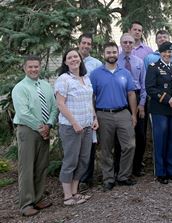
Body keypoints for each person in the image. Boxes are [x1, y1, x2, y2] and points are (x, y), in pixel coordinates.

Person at [12, 55, 58, 216]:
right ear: (24, 68)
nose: (33, 69)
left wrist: (49, 124)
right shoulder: (20, 88)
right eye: (30, 67)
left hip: (44, 131)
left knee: (41, 165)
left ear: (40, 67)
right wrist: (41, 128)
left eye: (36, 66)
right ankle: (26, 204)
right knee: (27, 167)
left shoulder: (45, 85)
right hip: (28, 131)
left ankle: (38, 198)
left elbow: (53, 107)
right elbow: (23, 114)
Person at [90, 42, 138, 191]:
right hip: (104, 114)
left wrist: (134, 114)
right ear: (104, 54)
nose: (111, 55)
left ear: (118, 53)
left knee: (130, 145)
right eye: (108, 52)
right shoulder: (95, 74)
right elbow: (91, 96)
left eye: (114, 52)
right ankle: (108, 179)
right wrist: (94, 116)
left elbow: (131, 94)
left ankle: (123, 176)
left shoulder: (125, 72)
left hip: (123, 113)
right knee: (106, 149)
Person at [55, 49, 99, 205]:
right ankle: (67, 197)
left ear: (80, 59)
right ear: (66, 62)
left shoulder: (85, 78)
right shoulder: (63, 79)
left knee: (83, 160)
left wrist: (94, 117)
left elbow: (89, 101)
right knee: (71, 160)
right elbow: (60, 104)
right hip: (71, 127)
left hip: (87, 126)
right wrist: (74, 123)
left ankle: (75, 192)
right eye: (69, 57)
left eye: (76, 56)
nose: (73, 59)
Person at [145, 42, 172, 184]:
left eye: (170, 53)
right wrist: (167, 99)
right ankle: (161, 172)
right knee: (160, 141)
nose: (168, 55)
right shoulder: (153, 67)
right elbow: (150, 88)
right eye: (165, 52)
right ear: (160, 53)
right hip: (160, 109)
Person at [118, 33, 147, 177]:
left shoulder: (139, 62)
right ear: (121, 44)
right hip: (120, 99)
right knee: (121, 136)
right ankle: (121, 168)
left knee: (140, 136)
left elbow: (144, 85)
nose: (128, 44)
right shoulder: (115, 61)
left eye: (130, 42)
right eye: (125, 42)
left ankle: (137, 167)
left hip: (136, 97)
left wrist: (141, 104)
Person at [77, 33, 103, 189]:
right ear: (79, 43)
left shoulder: (96, 64)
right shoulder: (71, 60)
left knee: (90, 143)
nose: (86, 46)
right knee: (76, 143)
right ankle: (75, 177)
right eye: (83, 43)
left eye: (89, 44)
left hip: (91, 106)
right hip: (74, 108)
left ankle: (86, 178)